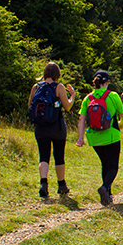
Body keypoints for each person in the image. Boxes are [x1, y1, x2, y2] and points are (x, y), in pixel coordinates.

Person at [76, 70, 123, 206]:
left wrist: (80, 138)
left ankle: (107, 195)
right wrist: (120, 125)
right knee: (113, 166)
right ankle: (105, 187)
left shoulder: (88, 98)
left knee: (105, 164)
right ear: (107, 82)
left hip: (95, 138)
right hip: (111, 136)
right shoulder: (113, 96)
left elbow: (81, 119)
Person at [28, 62, 76, 197]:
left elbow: (30, 106)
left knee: (43, 156)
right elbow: (67, 106)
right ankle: (61, 185)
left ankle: (43, 183)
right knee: (59, 156)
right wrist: (72, 95)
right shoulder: (59, 87)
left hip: (40, 127)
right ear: (57, 74)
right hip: (57, 126)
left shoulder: (36, 87)